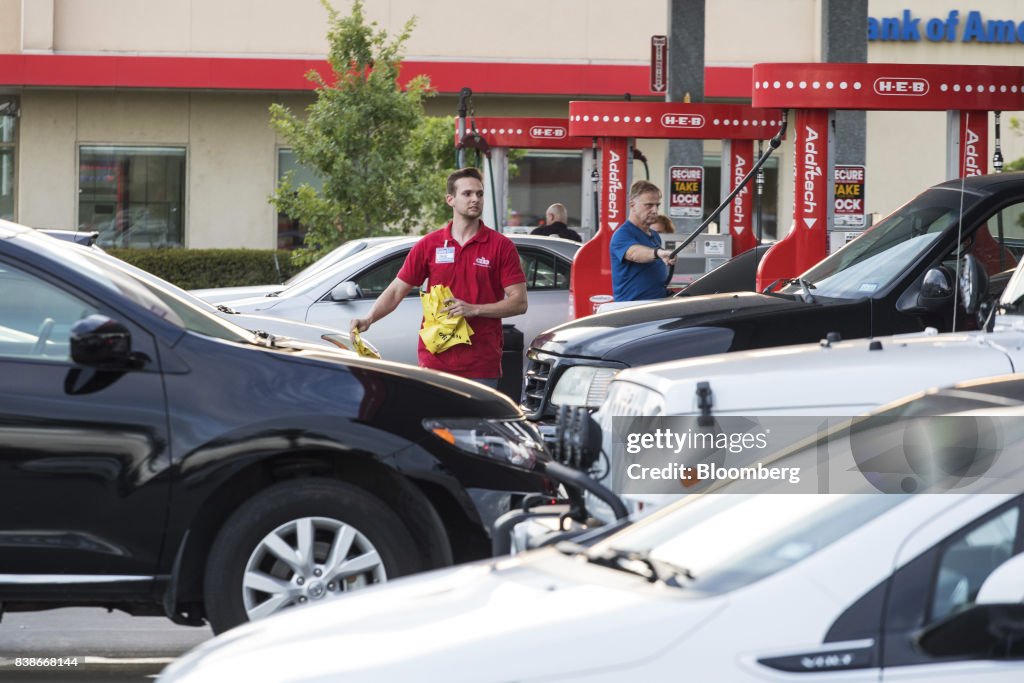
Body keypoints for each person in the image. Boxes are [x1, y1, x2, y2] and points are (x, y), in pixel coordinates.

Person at [351, 168, 527, 387]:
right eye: (467, 193)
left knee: (473, 414)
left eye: (480, 194)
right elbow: (396, 291)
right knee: (432, 412)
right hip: (434, 362)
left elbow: (519, 303)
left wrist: (474, 309)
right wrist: (368, 319)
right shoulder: (429, 244)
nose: (475, 199)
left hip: (481, 364)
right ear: (450, 199)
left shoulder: (501, 246)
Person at [609, 180, 676, 301]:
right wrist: (658, 253)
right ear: (632, 205)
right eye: (649, 205)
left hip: (655, 303)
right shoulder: (622, 234)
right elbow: (634, 253)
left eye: (657, 205)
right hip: (633, 307)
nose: (655, 210)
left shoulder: (655, 235)